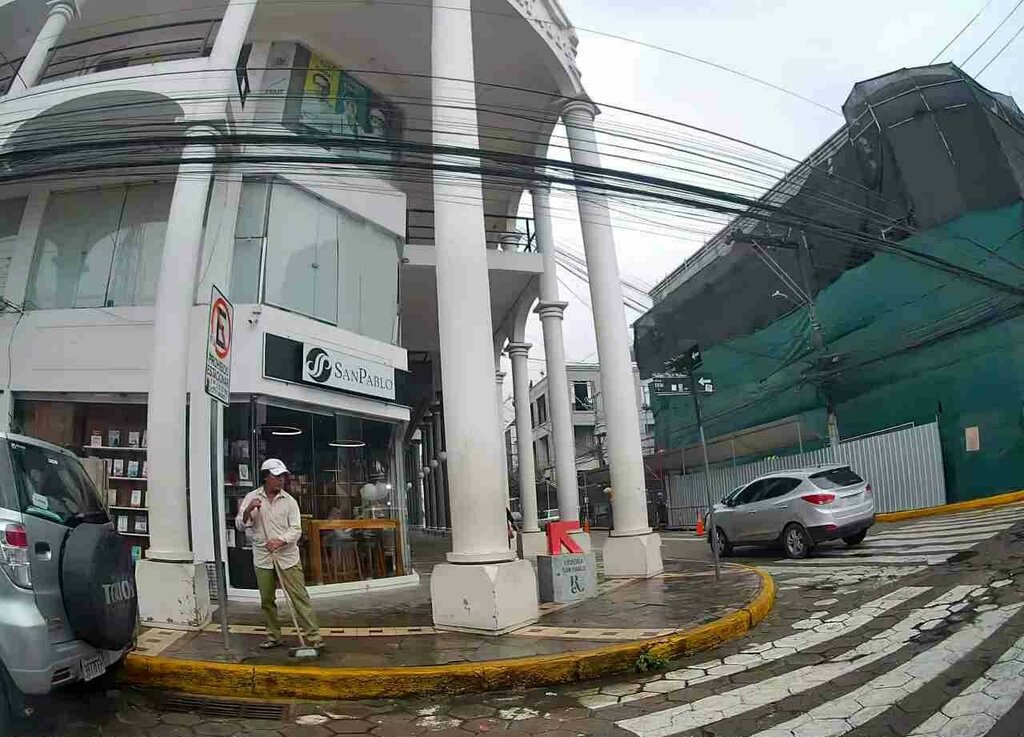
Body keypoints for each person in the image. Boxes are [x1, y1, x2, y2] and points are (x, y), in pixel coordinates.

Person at [236, 458, 322, 650]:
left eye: (283, 476)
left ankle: (314, 637)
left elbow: (296, 529)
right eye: (277, 476)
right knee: (267, 600)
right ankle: (274, 636)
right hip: (263, 558)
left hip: (287, 557)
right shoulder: (252, 498)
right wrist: (249, 510)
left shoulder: (290, 502)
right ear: (266, 477)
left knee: (299, 597)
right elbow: (240, 525)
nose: (281, 480)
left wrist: (280, 540)